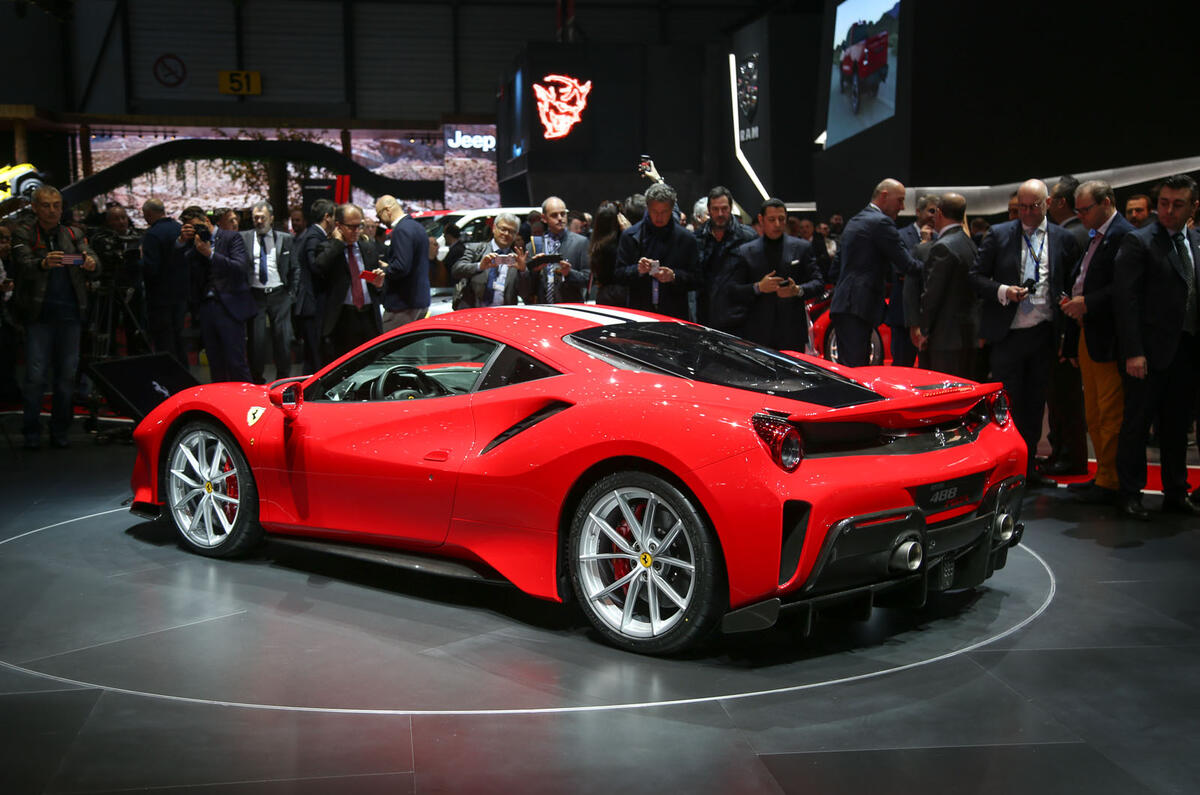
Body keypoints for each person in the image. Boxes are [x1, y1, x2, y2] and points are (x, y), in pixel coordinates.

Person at [969, 179, 1080, 486]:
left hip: (1044, 335)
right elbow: (975, 277)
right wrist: (1004, 291)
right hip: (1008, 335)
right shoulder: (999, 234)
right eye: (1022, 208)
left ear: (1048, 204)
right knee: (1006, 406)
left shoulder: (1063, 238)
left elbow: (1071, 283)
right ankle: (1004, 471)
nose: (1027, 213)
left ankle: (1028, 469)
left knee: (1034, 406)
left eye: (1034, 207)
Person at [1112, 174, 1200, 519]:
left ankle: (1176, 492)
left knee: (1177, 427)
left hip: (1187, 351)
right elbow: (1126, 301)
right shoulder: (1139, 241)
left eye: (1177, 204)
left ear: (1193, 207)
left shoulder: (1196, 241)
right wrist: (1134, 351)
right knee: (1137, 424)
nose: (1168, 210)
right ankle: (1130, 493)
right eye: (1164, 203)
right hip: (1147, 353)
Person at [1060, 180, 1134, 505]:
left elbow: (1125, 288)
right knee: (1093, 411)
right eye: (1077, 210)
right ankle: (1103, 474)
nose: (1080, 216)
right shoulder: (1096, 235)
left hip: (1108, 336)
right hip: (1088, 333)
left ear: (1106, 202)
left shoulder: (1124, 235)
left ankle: (1111, 480)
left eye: (1085, 209)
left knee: (1109, 412)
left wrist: (1087, 303)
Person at [10, 186, 98, 448]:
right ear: (35, 207)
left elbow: (93, 260)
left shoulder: (73, 233)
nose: (52, 210)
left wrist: (91, 262)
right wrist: (42, 263)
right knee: (35, 377)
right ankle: (31, 431)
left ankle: (60, 430)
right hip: (38, 316)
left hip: (70, 315)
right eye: (46, 205)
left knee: (66, 377)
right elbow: (22, 263)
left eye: (56, 205)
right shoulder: (24, 233)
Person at [828, 178, 922, 366]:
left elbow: (834, 271)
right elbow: (907, 265)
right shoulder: (880, 223)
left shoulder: (855, 220)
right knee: (857, 370)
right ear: (884, 196)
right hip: (859, 307)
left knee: (849, 369)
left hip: (844, 305)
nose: (902, 207)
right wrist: (936, 266)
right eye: (900, 200)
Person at [723, 198, 823, 351]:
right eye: (771, 219)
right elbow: (732, 290)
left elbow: (818, 282)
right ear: (761, 220)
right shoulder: (746, 251)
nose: (777, 224)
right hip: (757, 332)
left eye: (781, 219)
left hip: (792, 332)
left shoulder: (802, 247)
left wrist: (797, 290)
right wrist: (758, 287)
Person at [1042, 176, 1090, 477]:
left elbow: (1069, 289)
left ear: (1060, 202)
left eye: (1050, 199)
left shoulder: (1068, 236)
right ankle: (1063, 451)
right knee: (1063, 396)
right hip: (1071, 330)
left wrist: (1065, 337)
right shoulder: (1080, 233)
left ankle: (1069, 455)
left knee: (1065, 397)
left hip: (1067, 330)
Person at [909, 193, 979, 378]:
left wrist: (924, 331)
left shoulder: (943, 247)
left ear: (939, 213)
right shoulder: (970, 244)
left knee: (942, 390)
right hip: (968, 334)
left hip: (945, 337)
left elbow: (932, 294)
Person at [184, 207, 254, 383]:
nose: (196, 231)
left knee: (236, 361)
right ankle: (220, 397)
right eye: (192, 228)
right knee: (215, 362)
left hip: (230, 306)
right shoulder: (194, 243)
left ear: (207, 221)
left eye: (198, 226)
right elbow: (184, 266)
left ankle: (245, 397)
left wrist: (210, 254)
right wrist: (182, 241)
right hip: (206, 306)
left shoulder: (231, 237)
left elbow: (239, 267)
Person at [614, 182, 698, 319]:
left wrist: (674, 276)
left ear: (672, 209)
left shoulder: (687, 239)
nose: (659, 217)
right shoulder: (630, 236)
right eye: (654, 211)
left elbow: (697, 279)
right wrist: (637, 269)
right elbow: (618, 275)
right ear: (647, 208)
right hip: (640, 314)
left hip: (674, 314)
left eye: (664, 212)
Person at [312, 203, 384, 361]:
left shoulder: (368, 248)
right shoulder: (329, 248)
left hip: (368, 316)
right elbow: (319, 268)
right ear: (339, 226)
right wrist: (337, 243)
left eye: (359, 226)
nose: (356, 231)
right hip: (342, 318)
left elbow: (377, 285)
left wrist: (379, 284)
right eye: (351, 227)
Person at [241, 200, 296, 384]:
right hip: (255, 294)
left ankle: (283, 379)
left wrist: (291, 294)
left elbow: (295, 267)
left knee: (282, 338)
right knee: (256, 340)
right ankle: (257, 379)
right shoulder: (244, 238)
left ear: (271, 218)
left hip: (279, 294)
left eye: (262, 218)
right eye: (255, 218)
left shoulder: (285, 238)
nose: (259, 221)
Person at [694, 185, 755, 326]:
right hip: (705, 315)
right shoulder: (697, 238)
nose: (720, 214)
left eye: (724, 208)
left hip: (739, 317)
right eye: (715, 209)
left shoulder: (748, 237)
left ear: (730, 208)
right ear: (709, 209)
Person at [889, 193, 939, 367]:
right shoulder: (900, 235)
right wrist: (924, 245)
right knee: (902, 365)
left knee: (929, 368)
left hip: (931, 315)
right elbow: (900, 269)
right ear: (918, 211)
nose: (934, 216)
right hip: (903, 313)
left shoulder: (940, 238)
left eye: (937, 212)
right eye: (931, 211)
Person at [140, 198, 186, 366]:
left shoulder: (152, 235)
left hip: (159, 297)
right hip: (181, 294)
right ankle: (184, 374)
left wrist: (138, 261)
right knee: (179, 338)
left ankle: (169, 376)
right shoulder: (179, 228)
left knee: (164, 341)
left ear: (148, 213)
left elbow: (151, 268)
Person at [452, 212, 532, 308]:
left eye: (511, 231)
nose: (506, 234)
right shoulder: (476, 250)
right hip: (473, 310)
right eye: (503, 229)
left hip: (503, 313)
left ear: (516, 235)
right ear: (494, 228)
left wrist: (523, 271)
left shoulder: (517, 260)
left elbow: (525, 294)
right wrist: (479, 266)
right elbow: (456, 271)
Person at [374, 195, 431, 330]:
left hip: (402, 305)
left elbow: (401, 267)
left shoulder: (401, 230)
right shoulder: (417, 227)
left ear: (387, 210)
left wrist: (383, 271)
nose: (380, 221)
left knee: (391, 343)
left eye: (379, 215)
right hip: (420, 300)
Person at [292, 198, 334, 375]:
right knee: (315, 355)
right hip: (313, 304)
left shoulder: (314, 235)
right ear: (327, 217)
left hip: (313, 303)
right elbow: (316, 266)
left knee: (313, 355)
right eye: (334, 217)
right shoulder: (314, 237)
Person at [526, 196, 589, 303]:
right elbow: (527, 286)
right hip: (543, 307)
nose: (560, 218)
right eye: (554, 215)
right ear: (544, 218)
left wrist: (569, 273)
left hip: (571, 306)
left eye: (563, 214)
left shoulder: (580, 242)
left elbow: (588, 279)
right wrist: (535, 270)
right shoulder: (534, 245)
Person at [588, 202, 628, 307]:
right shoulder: (620, 244)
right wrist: (628, 232)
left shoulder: (596, 245)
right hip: (620, 296)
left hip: (603, 295)